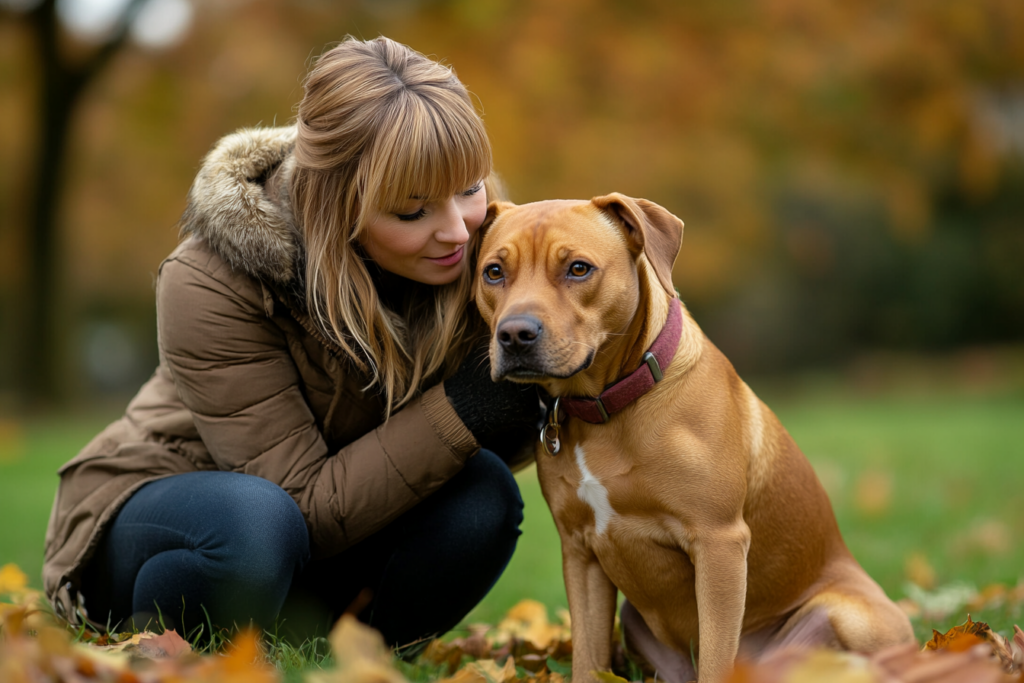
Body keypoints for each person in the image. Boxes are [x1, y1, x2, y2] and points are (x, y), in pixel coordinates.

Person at [42, 36, 540, 649]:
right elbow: (299, 500)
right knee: (255, 526)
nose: (456, 229)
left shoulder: (480, 248)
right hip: (182, 519)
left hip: (326, 535)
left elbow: (469, 441)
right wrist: (465, 407)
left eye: (469, 188)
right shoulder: (207, 279)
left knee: (483, 493)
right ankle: (179, 647)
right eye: (411, 213)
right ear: (334, 205)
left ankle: (342, 652)